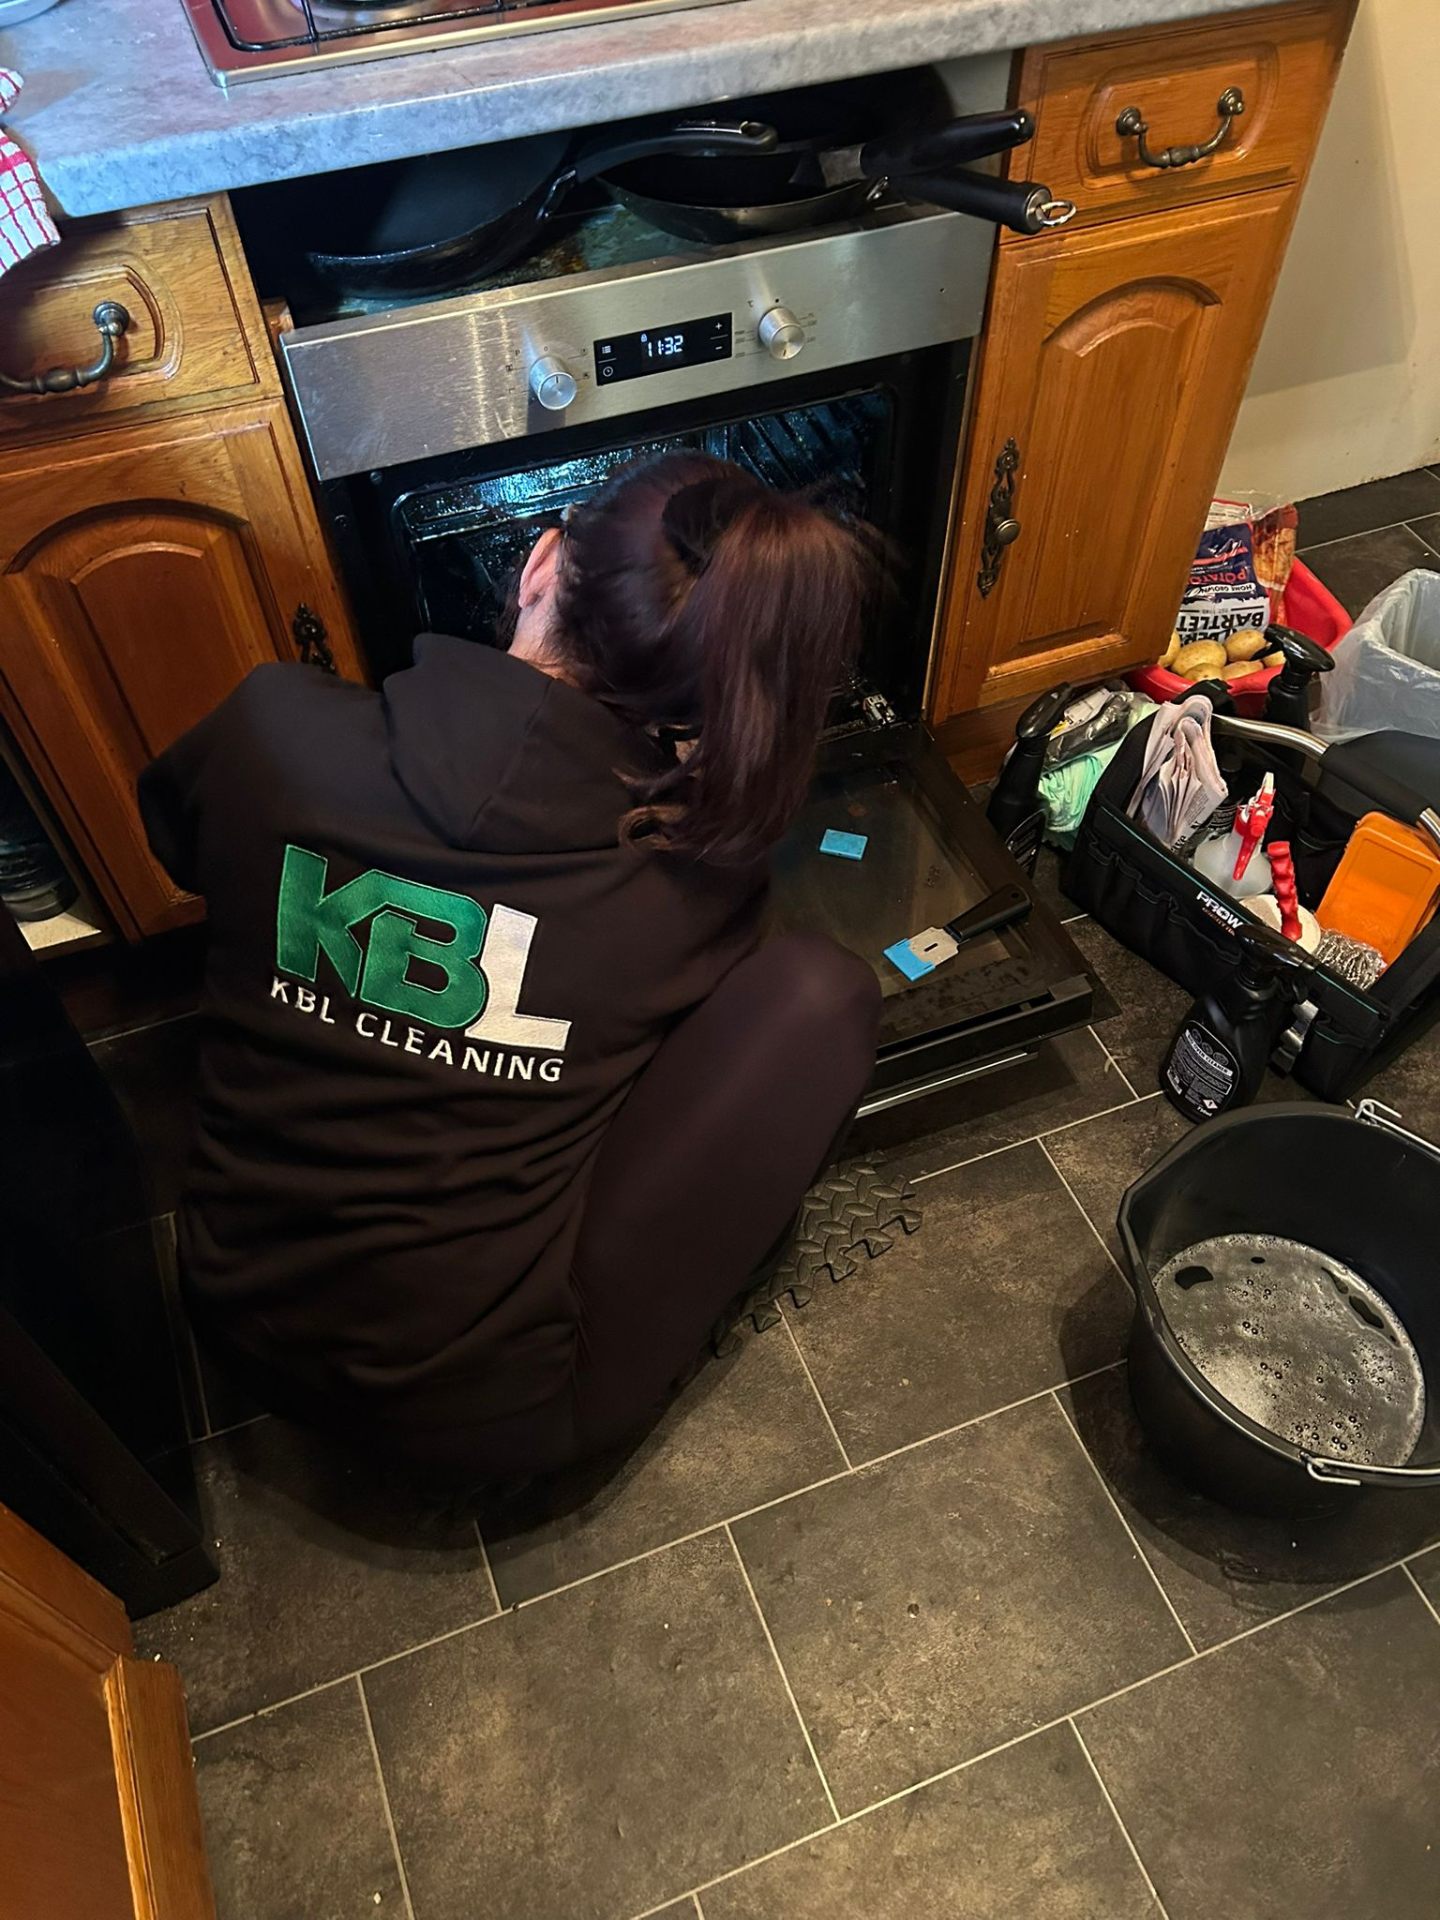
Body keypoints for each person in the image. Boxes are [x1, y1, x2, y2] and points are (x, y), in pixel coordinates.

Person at [139, 451, 881, 1489]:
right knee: (820, 994)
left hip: (228, 1304)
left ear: (540, 564)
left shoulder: (272, 729)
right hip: (485, 1425)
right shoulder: (688, 886)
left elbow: (179, 844)